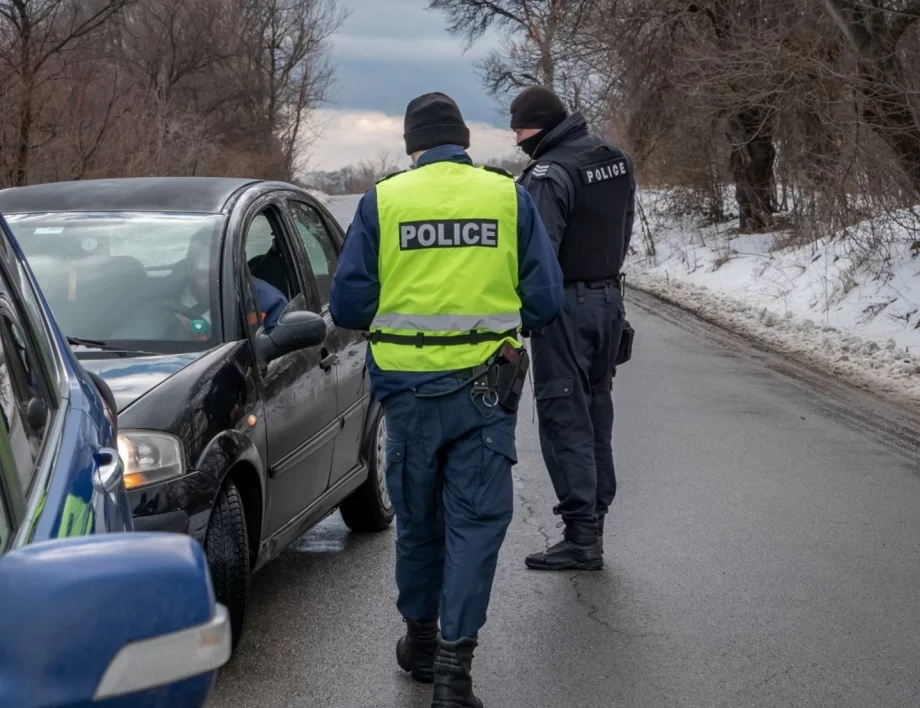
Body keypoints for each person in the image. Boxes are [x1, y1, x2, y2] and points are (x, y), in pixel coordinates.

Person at [329, 92, 563, 707]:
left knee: (419, 521)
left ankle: (420, 643)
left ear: (411, 146)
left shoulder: (383, 201)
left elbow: (350, 305)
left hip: (406, 396)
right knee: (477, 524)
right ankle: (455, 675)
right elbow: (544, 301)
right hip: (486, 395)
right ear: (462, 140)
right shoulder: (505, 195)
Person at [511, 85, 636, 572]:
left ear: (536, 125)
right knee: (596, 410)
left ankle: (581, 536)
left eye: (518, 127)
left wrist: (525, 313)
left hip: (564, 306)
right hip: (608, 300)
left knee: (565, 414)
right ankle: (595, 521)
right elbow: (623, 228)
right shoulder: (614, 158)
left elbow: (537, 256)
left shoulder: (549, 172)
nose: (515, 137)